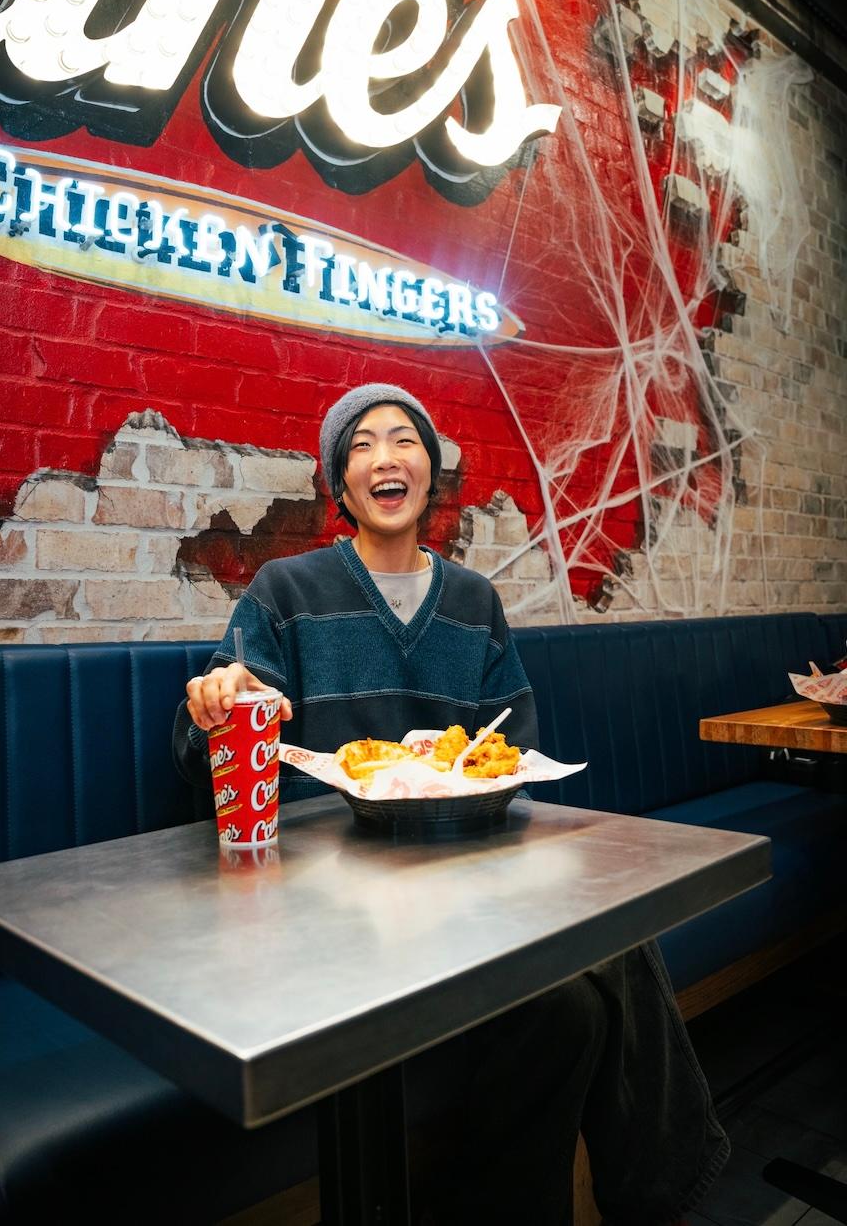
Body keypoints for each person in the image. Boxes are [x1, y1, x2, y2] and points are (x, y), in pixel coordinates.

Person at [173, 383, 729, 1225]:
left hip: (468, 880)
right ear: (340, 482)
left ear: (431, 475)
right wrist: (211, 703)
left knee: (573, 1005)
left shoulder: (474, 601)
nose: (385, 457)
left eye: (405, 441)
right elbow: (219, 730)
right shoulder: (287, 591)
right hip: (333, 898)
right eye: (361, 446)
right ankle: (671, 1196)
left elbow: (516, 754)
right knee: (600, 964)